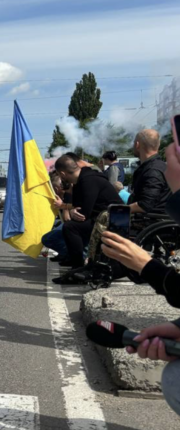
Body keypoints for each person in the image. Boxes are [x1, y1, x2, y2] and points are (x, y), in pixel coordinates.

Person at [98, 139, 180, 417]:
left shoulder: (153, 170)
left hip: (151, 218)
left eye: (173, 162)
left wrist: (146, 265)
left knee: (175, 379)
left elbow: (145, 203)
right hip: (154, 215)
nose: (168, 167)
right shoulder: (150, 168)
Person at [54, 154, 123, 271]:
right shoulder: (82, 180)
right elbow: (78, 205)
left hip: (114, 218)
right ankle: (78, 262)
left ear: (62, 174)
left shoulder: (88, 180)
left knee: (70, 227)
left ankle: (78, 267)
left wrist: (73, 211)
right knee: (72, 226)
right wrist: (71, 208)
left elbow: (84, 212)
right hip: (104, 216)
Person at [128, 129, 171, 215]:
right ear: (158, 145)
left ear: (137, 145)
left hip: (150, 224)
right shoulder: (161, 167)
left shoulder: (153, 170)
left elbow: (145, 205)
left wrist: (118, 209)